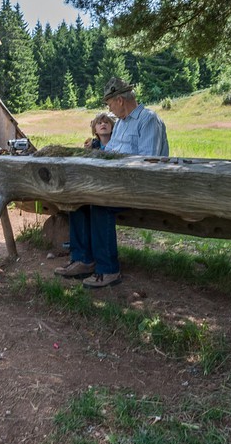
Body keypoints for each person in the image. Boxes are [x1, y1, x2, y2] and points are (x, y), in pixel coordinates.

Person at [55, 77, 168, 288]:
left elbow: (148, 162)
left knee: (100, 204)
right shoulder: (122, 124)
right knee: (78, 199)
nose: (110, 110)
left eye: (110, 105)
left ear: (120, 100)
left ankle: (108, 270)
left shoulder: (148, 120)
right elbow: (109, 152)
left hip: (141, 186)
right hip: (117, 184)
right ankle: (83, 260)